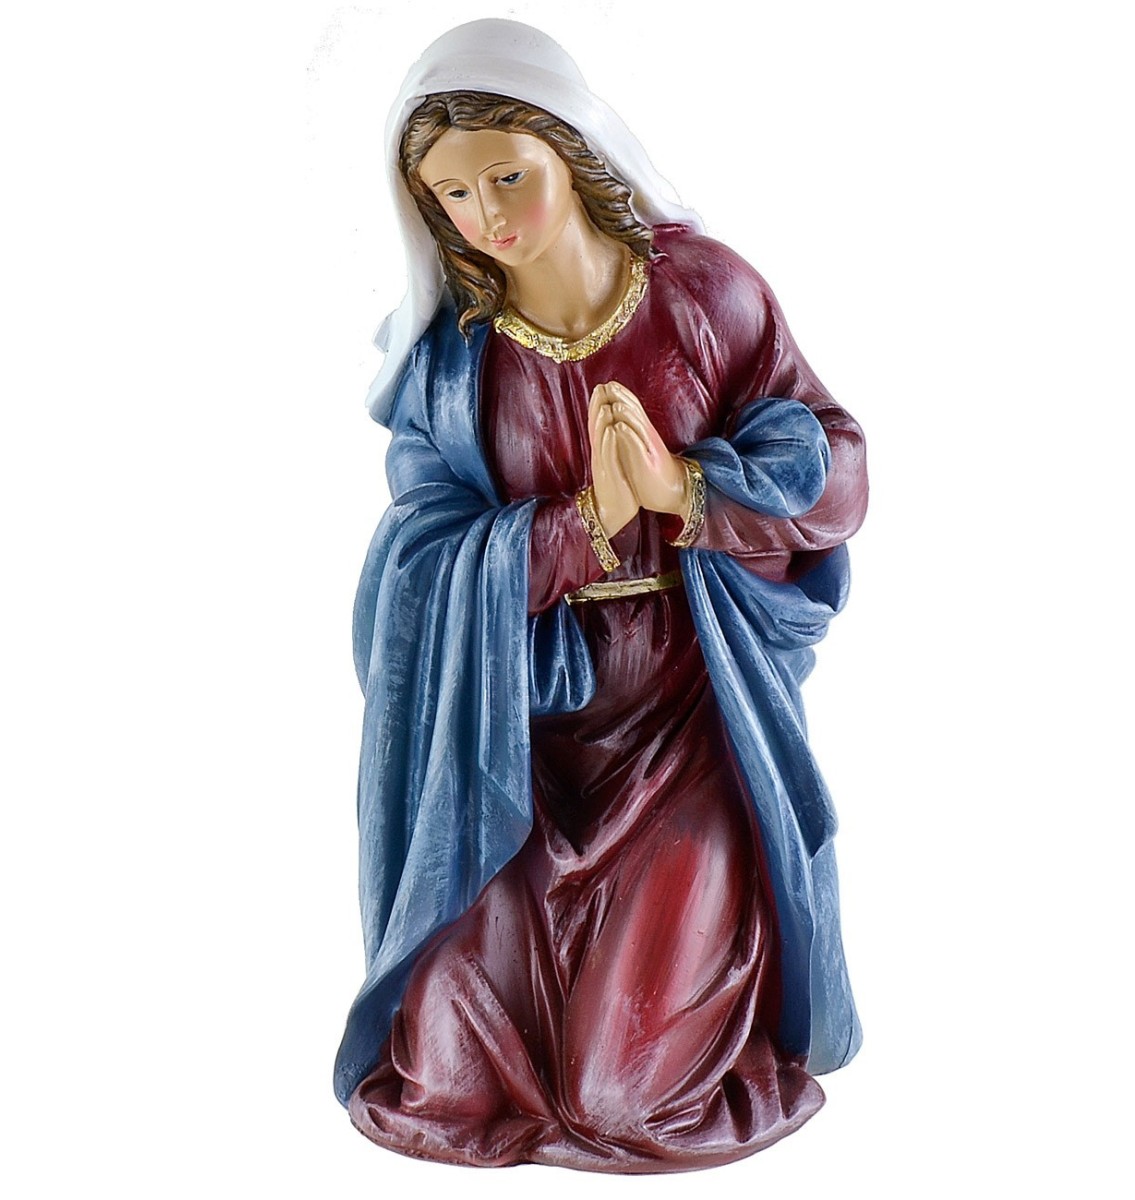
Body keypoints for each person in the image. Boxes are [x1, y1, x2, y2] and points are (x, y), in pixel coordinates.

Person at [335, 20, 868, 1172]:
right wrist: (579, 529)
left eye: (507, 176)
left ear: (570, 149)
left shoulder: (706, 295)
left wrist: (687, 490)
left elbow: (832, 461)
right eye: (452, 195)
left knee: (628, 1096)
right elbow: (415, 566)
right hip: (514, 745)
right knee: (447, 1084)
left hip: (684, 733)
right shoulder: (452, 362)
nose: (486, 216)